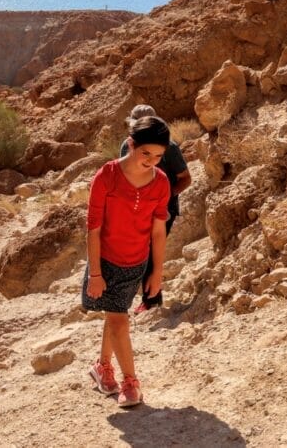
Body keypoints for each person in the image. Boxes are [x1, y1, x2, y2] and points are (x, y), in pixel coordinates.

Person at [83, 115, 170, 408]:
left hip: (135, 262)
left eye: (158, 156)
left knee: (116, 315)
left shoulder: (161, 183)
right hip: (105, 261)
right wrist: (95, 274)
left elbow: (158, 232)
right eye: (146, 153)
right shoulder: (106, 176)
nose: (152, 161)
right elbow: (93, 228)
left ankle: (103, 367)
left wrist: (157, 272)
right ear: (131, 145)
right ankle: (130, 382)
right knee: (118, 319)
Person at [118, 104, 192, 313]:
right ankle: (143, 297)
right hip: (136, 209)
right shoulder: (127, 145)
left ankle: (151, 300)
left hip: (164, 210)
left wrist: (164, 197)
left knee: (150, 252)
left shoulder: (170, 148)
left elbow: (185, 179)